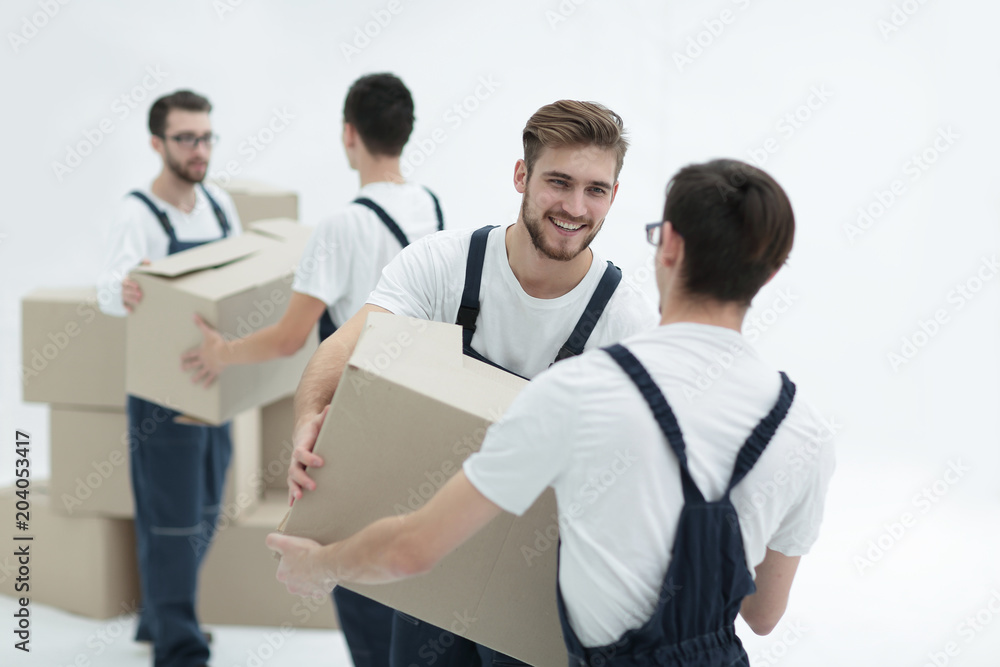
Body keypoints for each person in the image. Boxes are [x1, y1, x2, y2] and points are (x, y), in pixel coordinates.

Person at [267, 159, 836, 667]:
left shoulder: (582, 390)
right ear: (771, 273)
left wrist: (320, 565)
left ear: (669, 246)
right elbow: (762, 616)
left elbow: (415, 549)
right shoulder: (804, 431)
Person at [277, 99, 659, 666]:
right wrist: (310, 419)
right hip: (429, 552)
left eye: (596, 190)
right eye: (559, 182)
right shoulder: (443, 265)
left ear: (614, 195)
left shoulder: (626, 322)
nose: (576, 207)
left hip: (535, 581)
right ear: (521, 175)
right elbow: (343, 351)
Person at [179, 72, 443, 667]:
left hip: (359, 425)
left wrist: (220, 352)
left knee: (355, 575)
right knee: (410, 576)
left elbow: (289, 338)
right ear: (406, 133)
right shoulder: (429, 206)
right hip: (422, 418)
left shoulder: (340, 227)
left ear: (349, 134)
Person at [96, 90, 243, 667]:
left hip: (215, 382)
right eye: (186, 138)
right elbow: (108, 289)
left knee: (206, 506)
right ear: (158, 144)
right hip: (162, 392)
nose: (199, 149)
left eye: (206, 137)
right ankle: (178, 647)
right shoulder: (136, 212)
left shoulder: (221, 207)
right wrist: (126, 288)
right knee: (171, 519)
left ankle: (157, 616)